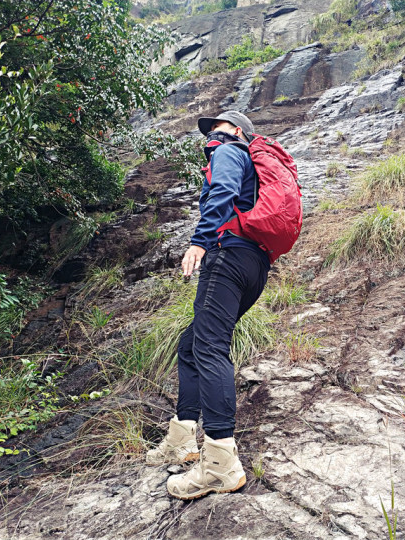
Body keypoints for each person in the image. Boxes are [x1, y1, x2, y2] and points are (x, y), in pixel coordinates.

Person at [145, 110, 270, 500]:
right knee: (190, 346)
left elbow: (223, 191)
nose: (209, 134)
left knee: (209, 348)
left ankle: (220, 464)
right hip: (254, 264)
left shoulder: (229, 150)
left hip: (228, 257)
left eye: (217, 126)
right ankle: (183, 440)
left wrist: (200, 240)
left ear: (236, 131)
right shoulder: (251, 160)